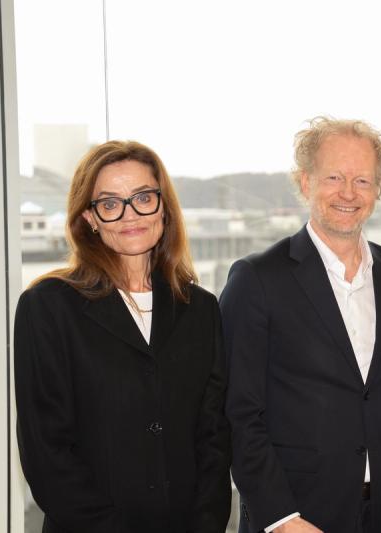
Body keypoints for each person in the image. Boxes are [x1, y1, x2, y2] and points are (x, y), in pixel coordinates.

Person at [220, 116, 381, 533]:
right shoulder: (257, 279)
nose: (348, 192)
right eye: (334, 177)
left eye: (362, 180)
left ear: (377, 190)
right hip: (295, 517)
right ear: (305, 182)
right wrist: (281, 517)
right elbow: (236, 412)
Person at [14, 140, 232, 533]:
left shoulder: (200, 308)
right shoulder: (48, 306)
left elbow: (213, 439)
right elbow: (47, 453)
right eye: (110, 203)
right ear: (89, 217)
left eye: (143, 197)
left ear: (163, 207)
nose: (130, 214)